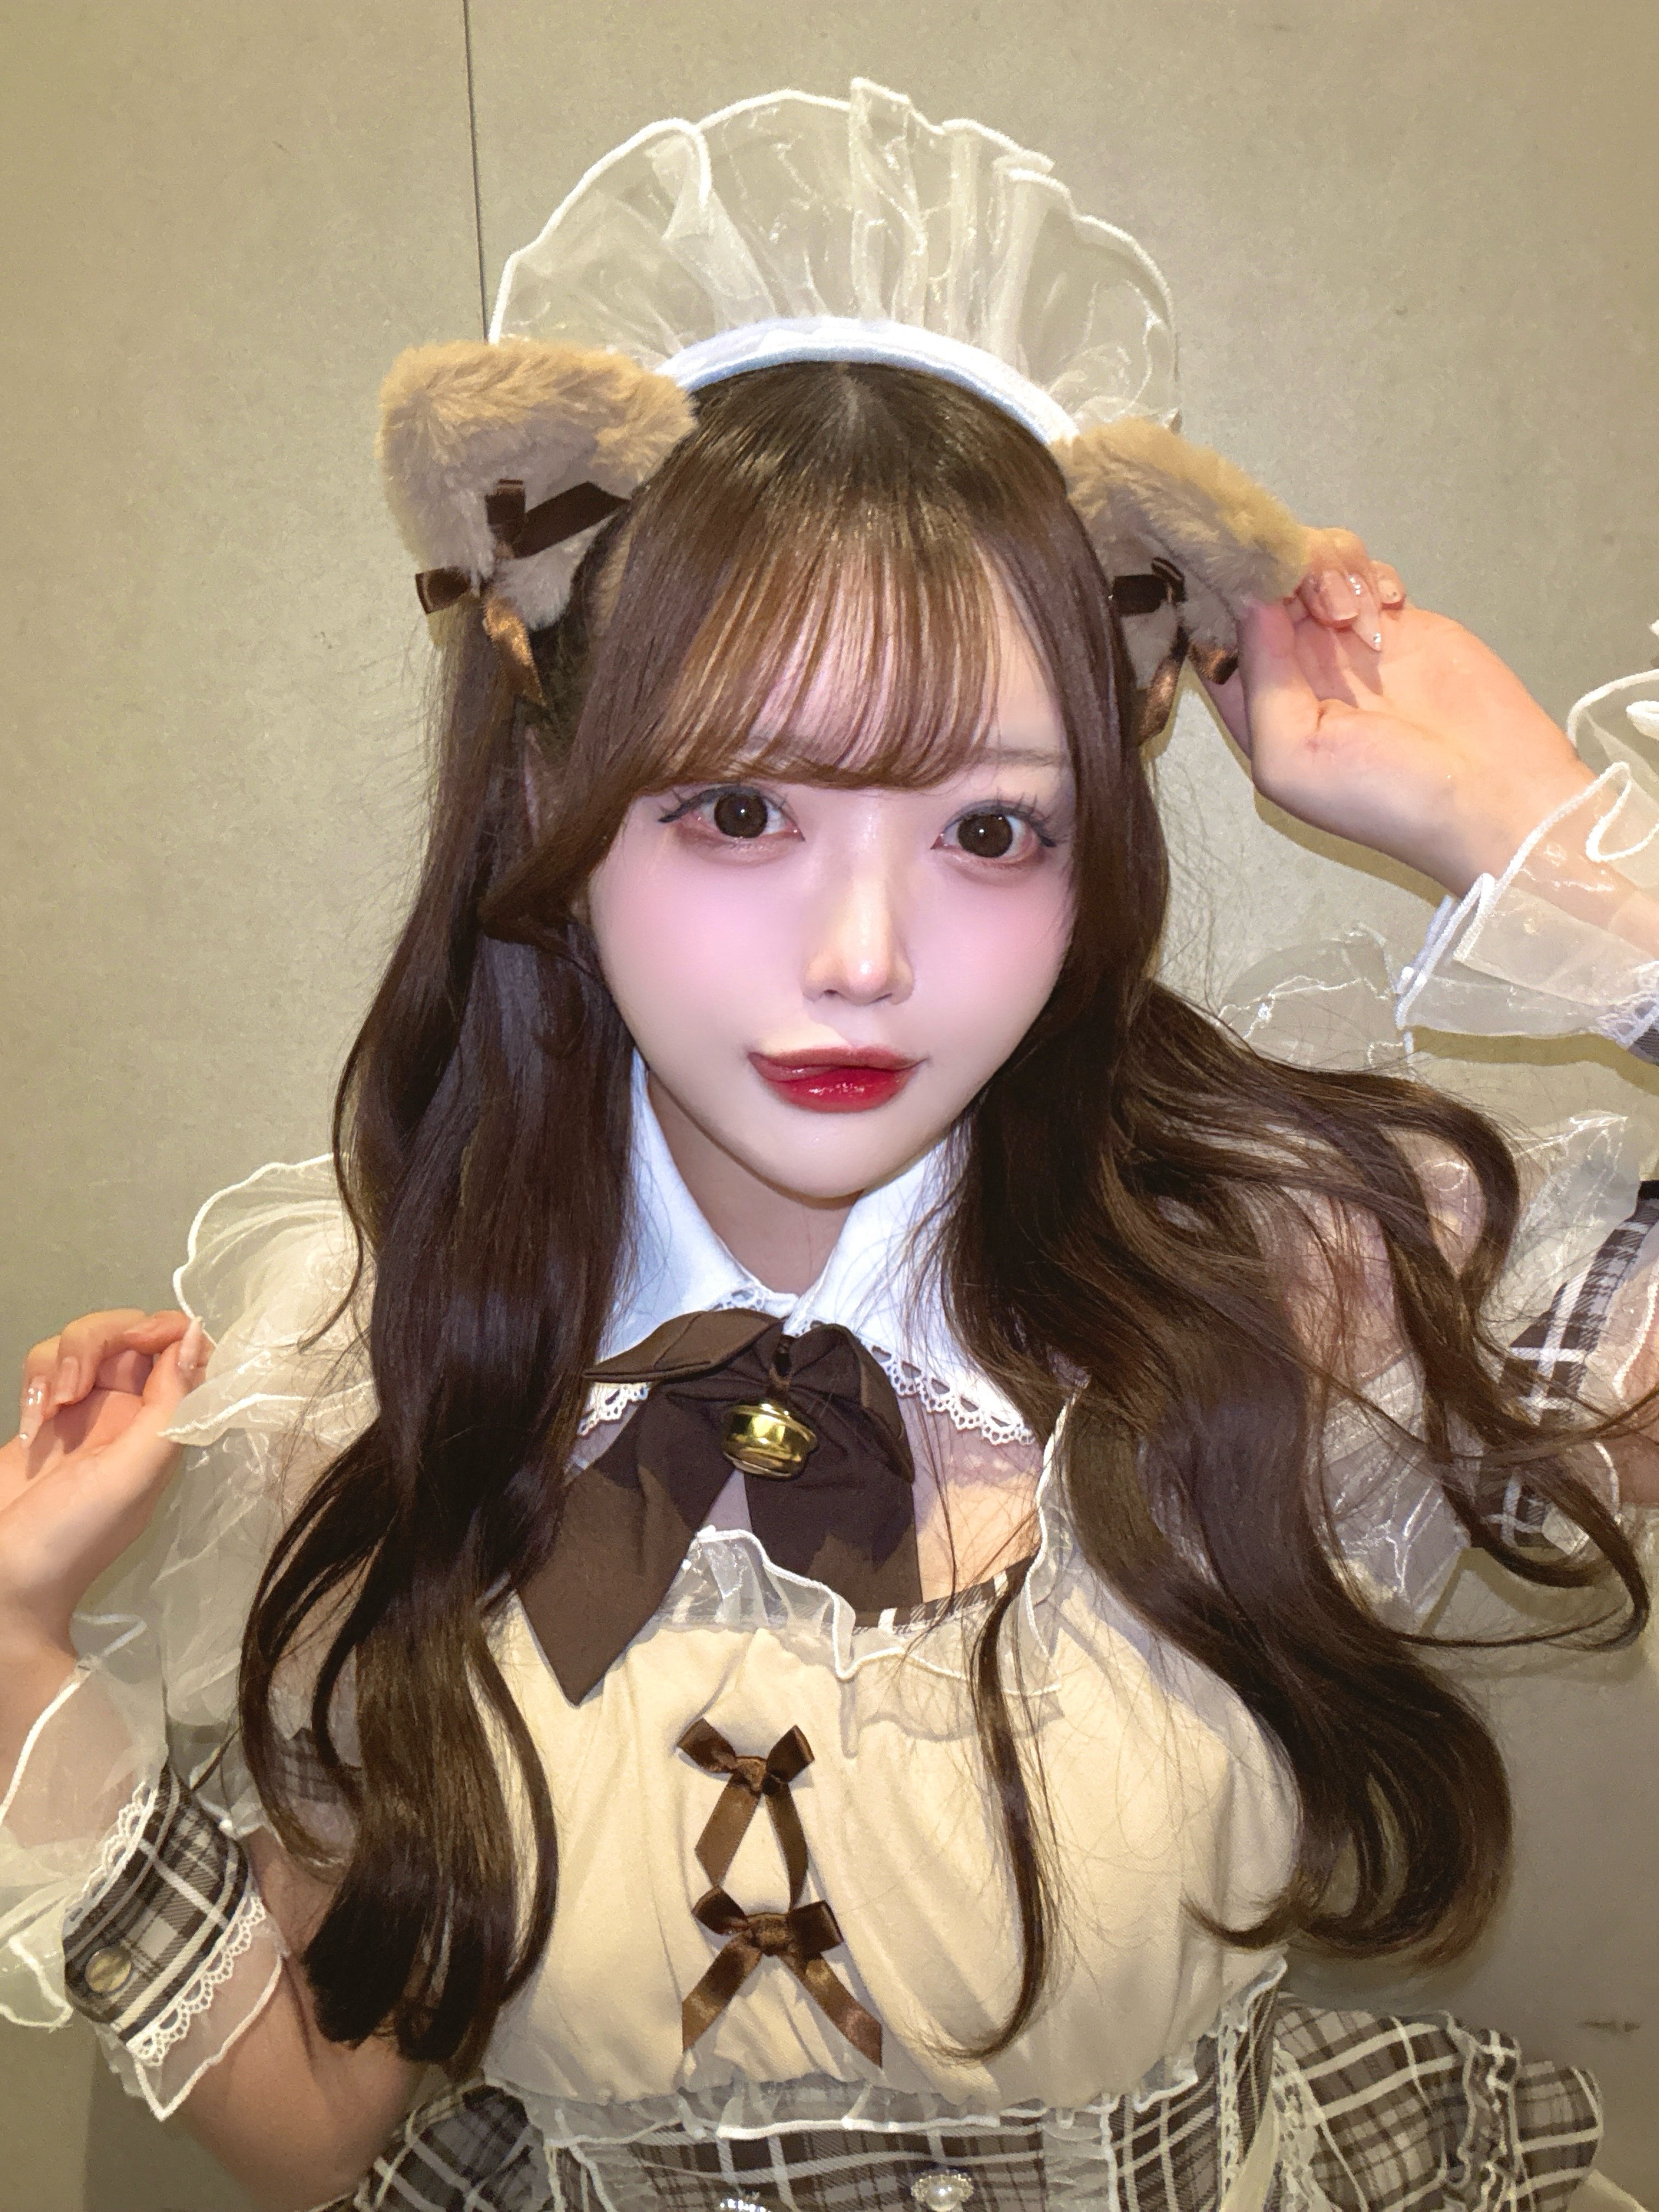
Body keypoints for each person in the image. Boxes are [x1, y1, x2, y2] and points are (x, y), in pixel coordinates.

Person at [3, 83, 1657, 2212]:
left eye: (992, 828)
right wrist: (19, 1659)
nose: (866, 956)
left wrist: (1553, 848)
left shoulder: (1294, 1279)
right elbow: (321, 2119)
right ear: (555, 803)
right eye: (740, 809)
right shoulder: (372, 1369)